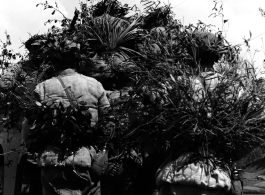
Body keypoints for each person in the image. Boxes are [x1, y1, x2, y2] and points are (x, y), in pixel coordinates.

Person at [23, 39, 110, 195]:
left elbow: (29, 125)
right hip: (86, 161)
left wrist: (34, 149)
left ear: (54, 62)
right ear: (78, 61)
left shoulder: (42, 87)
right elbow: (108, 123)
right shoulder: (95, 84)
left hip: (51, 161)